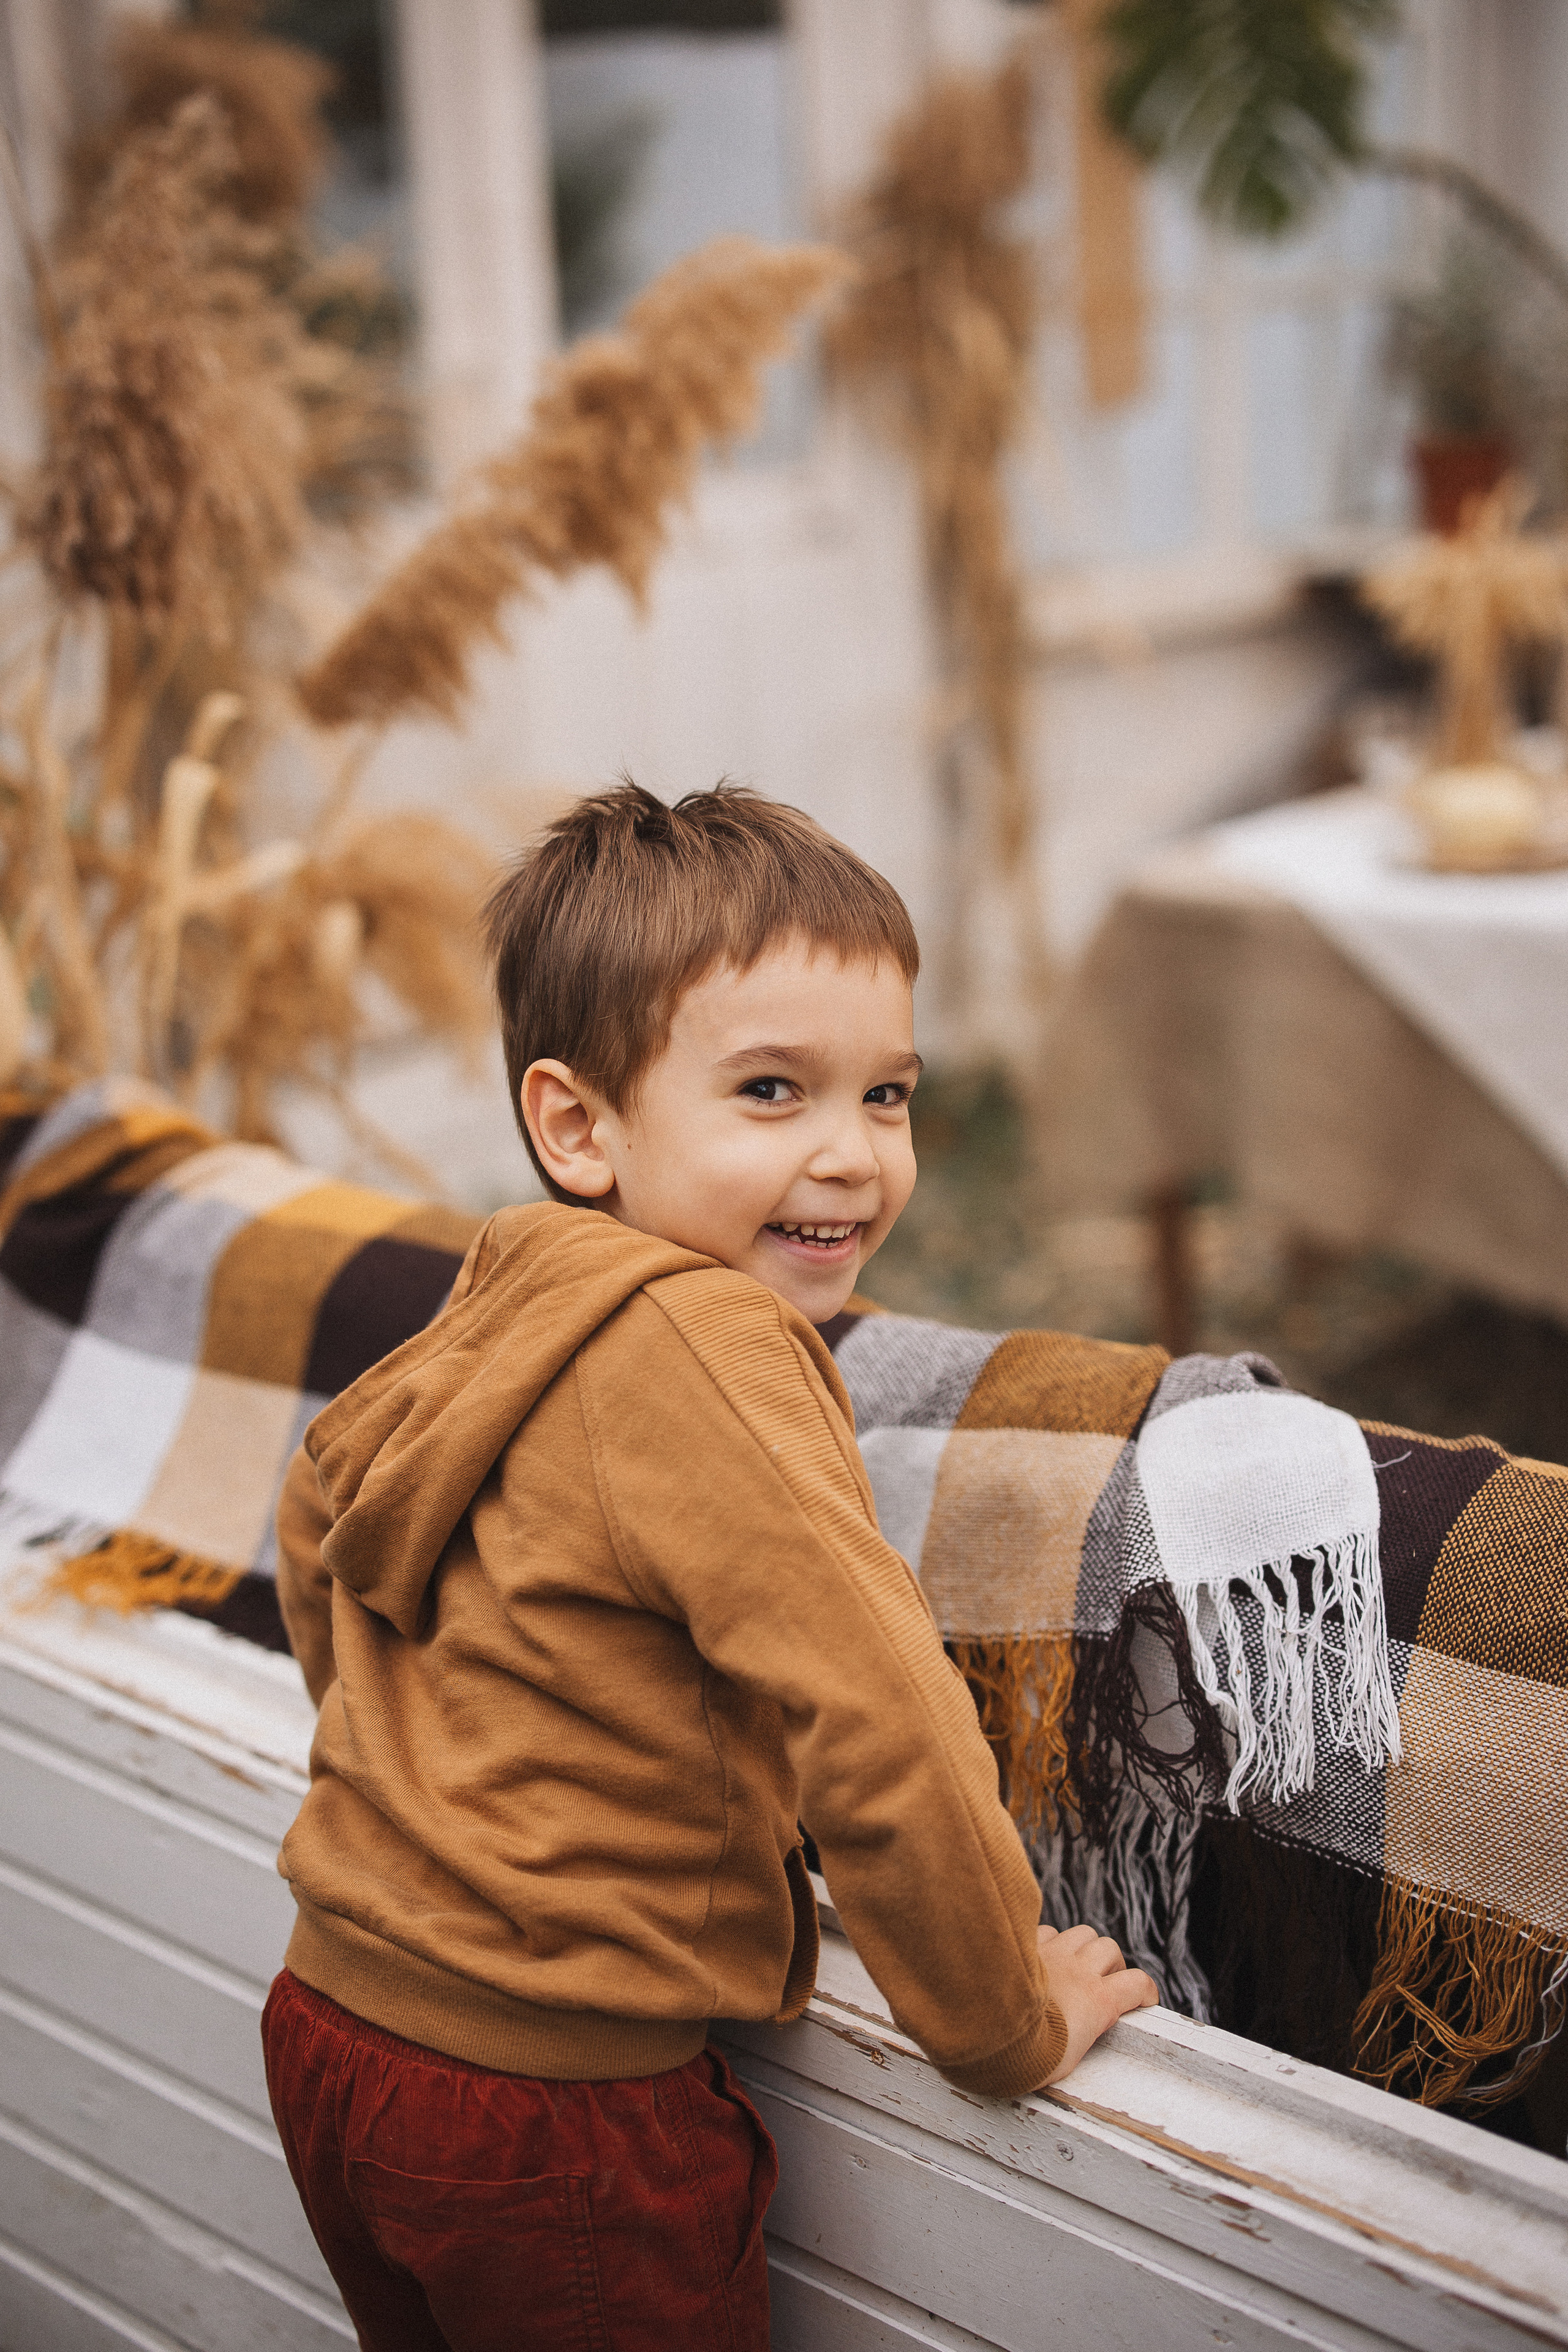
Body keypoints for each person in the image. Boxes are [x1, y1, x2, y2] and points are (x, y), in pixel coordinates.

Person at [263, 782, 1156, 2352]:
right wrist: (1005, 2019)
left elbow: (316, 1518)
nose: (851, 1157)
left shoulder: (497, 1293)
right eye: (768, 1092)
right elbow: (874, 1709)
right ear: (577, 1125)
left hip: (335, 2026)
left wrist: (411, 1776)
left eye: (885, 1097)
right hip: (557, 2114)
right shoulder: (705, 1337)